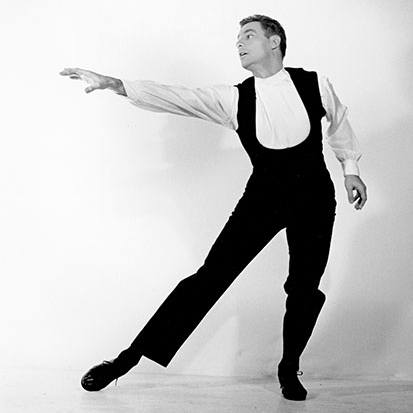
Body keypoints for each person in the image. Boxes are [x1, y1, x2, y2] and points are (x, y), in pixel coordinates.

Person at [60, 14, 367, 401]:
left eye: (249, 36)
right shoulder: (234, 97)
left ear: (275, 42)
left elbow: (338, 123)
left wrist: (350, 169)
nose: (239, 43)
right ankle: (126, 360)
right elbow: (181, 98)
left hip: (315, 199)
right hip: (263, 198)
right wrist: (120, 85)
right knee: (209, 279)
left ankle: (289, 367)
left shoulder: (314, 82)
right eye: (237, 38)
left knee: (304, 288)